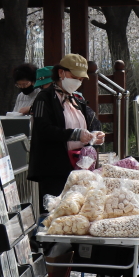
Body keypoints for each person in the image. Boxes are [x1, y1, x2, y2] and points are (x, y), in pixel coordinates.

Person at [28, 54, 106, 205]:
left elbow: (92, 122)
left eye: (81, 79)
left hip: (79, 168)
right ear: (61, 73)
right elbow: (43, 130)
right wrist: (75, 134)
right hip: (54, 169)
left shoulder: (77, 99)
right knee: (55, 210)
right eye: (74, 76)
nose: (78, 81)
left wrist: (95, 135)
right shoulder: (44, 98)